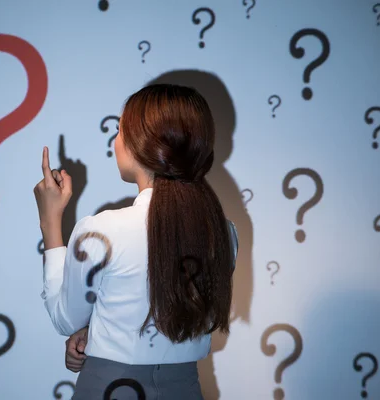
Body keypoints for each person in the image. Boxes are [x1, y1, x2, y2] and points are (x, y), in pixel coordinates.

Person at [34, 83, 239, 399]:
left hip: (109, 388)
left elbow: (65, 319)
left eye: (119, 130)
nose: (116, 140)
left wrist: (50, 220)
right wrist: (99, 331)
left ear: (139, 143)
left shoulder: (101, 231)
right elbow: (169, 311)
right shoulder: (222, 234)